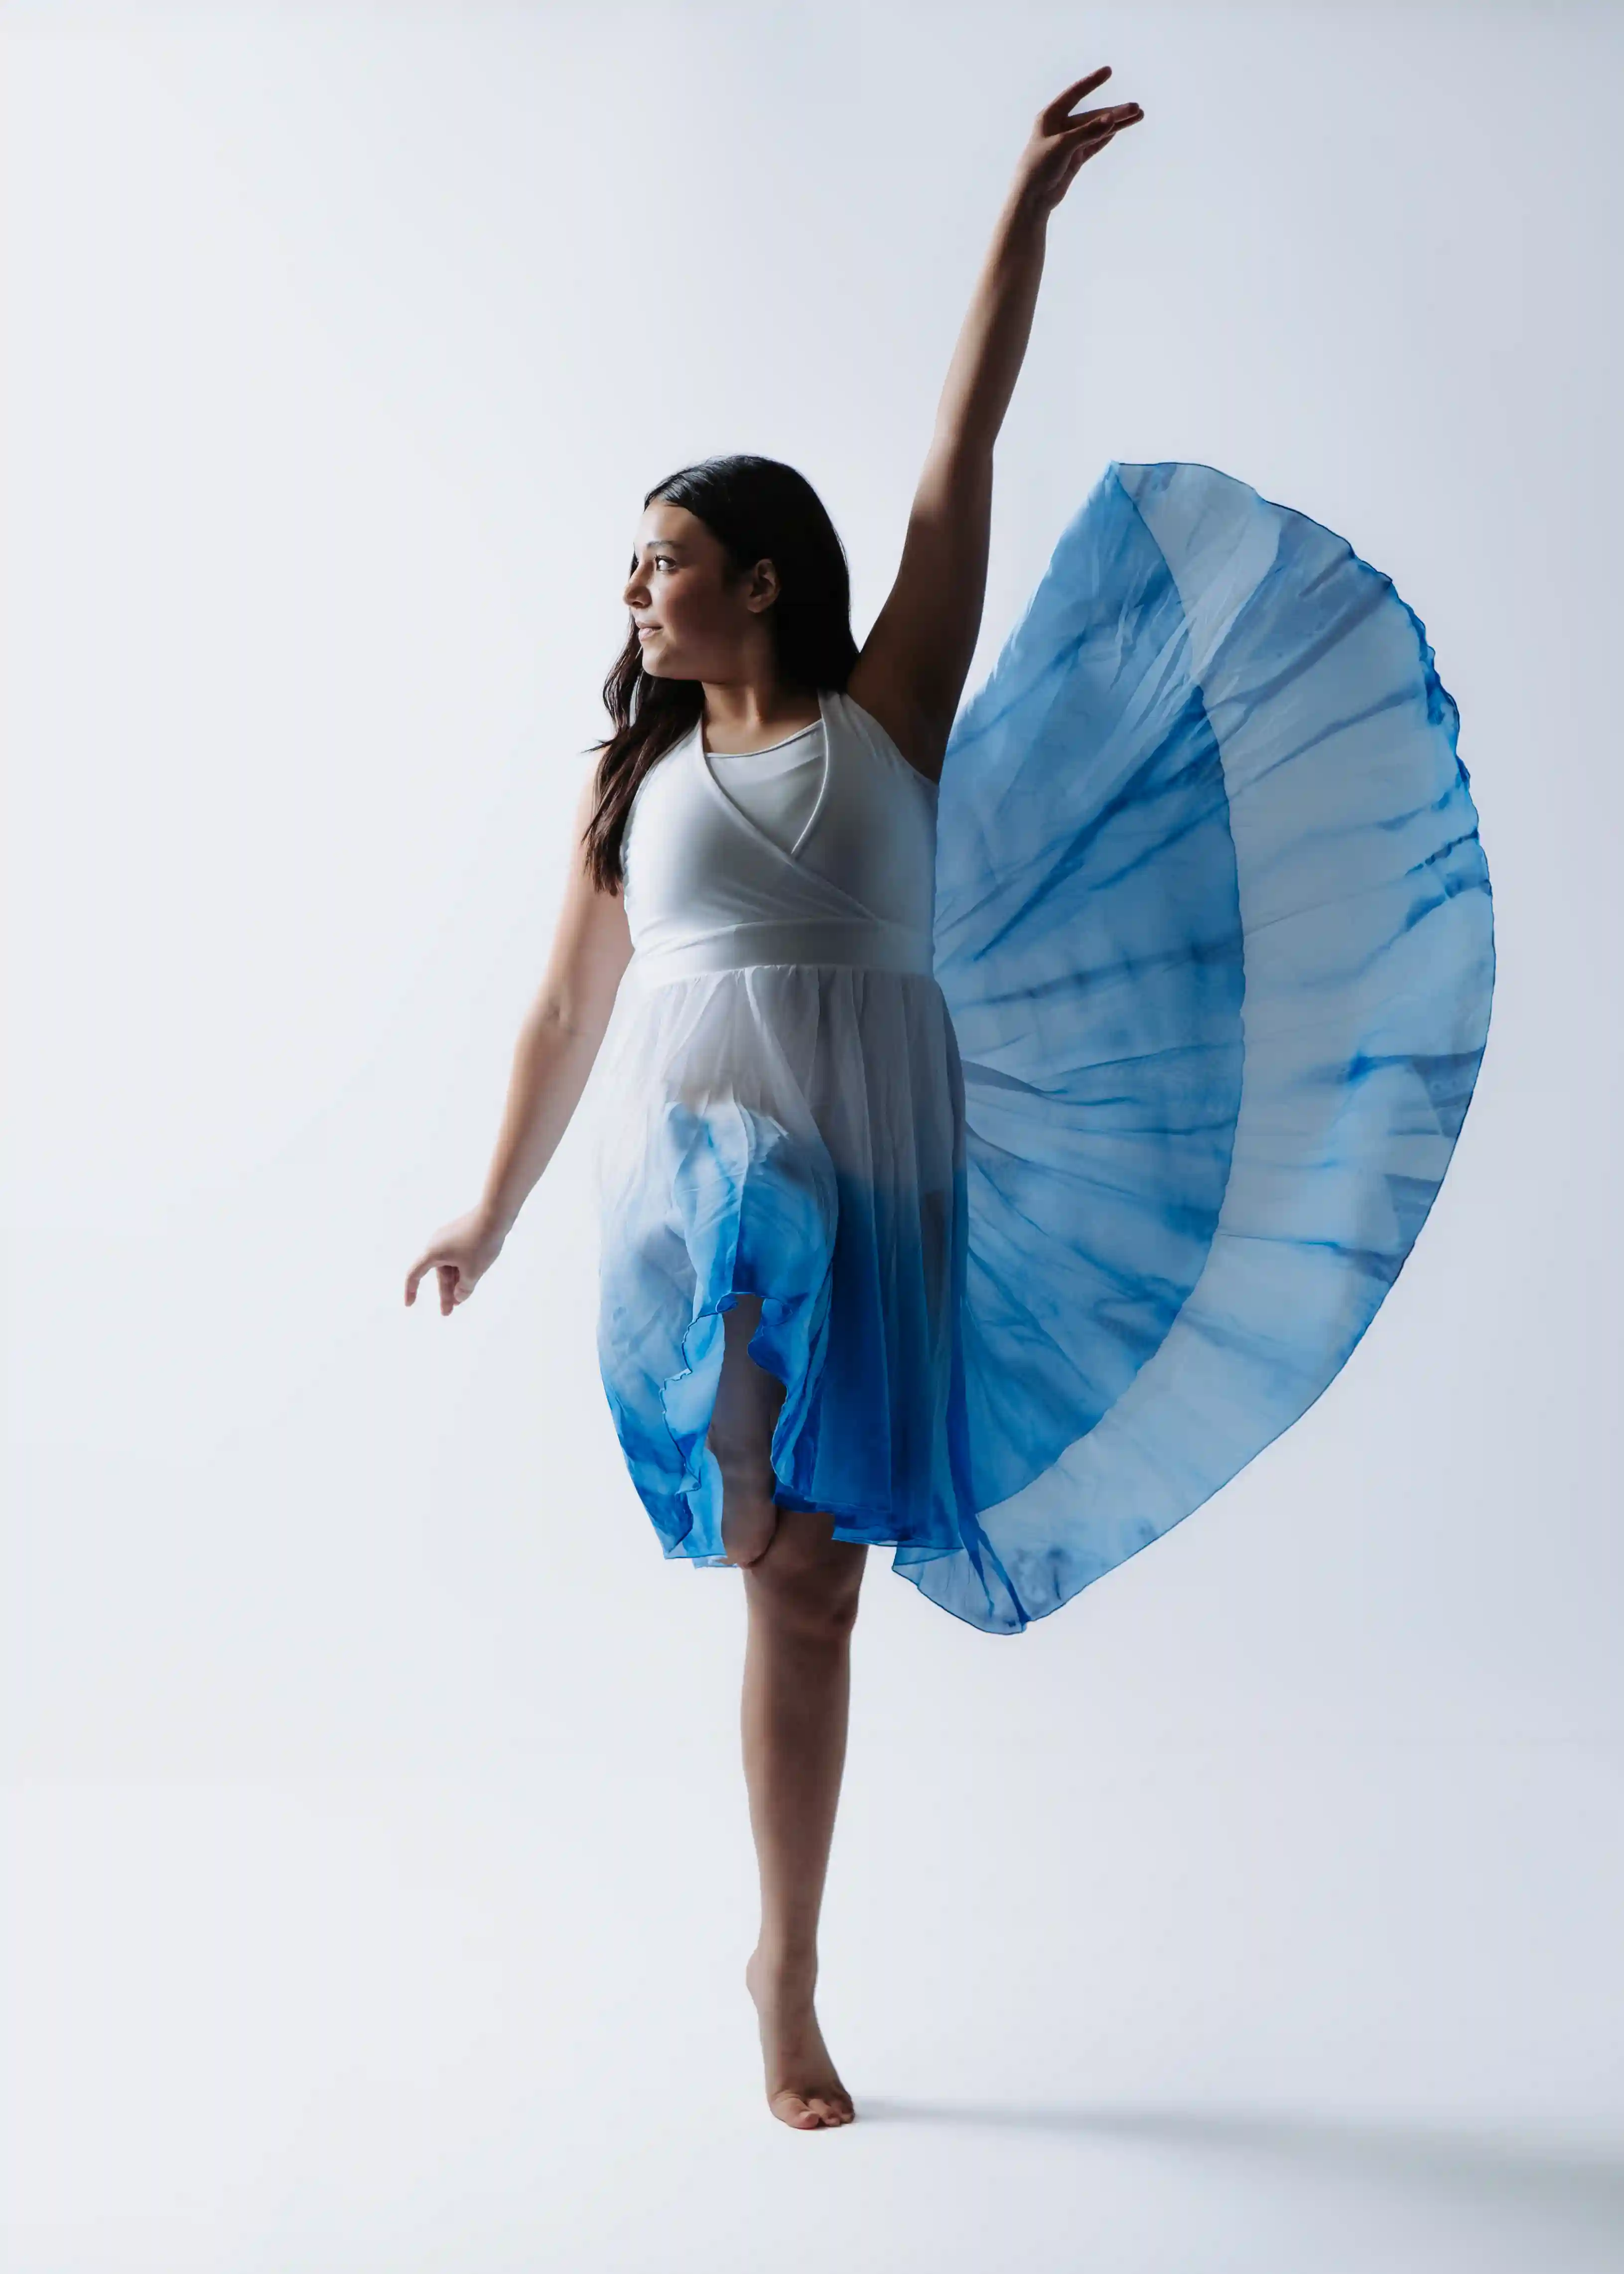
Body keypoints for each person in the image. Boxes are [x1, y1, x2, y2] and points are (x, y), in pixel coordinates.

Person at [406, 68, 1492, 2132]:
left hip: (877, 1168)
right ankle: (778, 1936)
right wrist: (487, 1208)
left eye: (664, 561)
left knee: (814, 1582)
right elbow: (560, 1012)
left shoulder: (883, 712)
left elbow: (951, 451)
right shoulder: (631, 784)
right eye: (631, 568)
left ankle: (785, 1969)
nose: (634, 592)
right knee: (764, 1545)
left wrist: (1023, 211)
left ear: (758, 579)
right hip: (694, 1183)